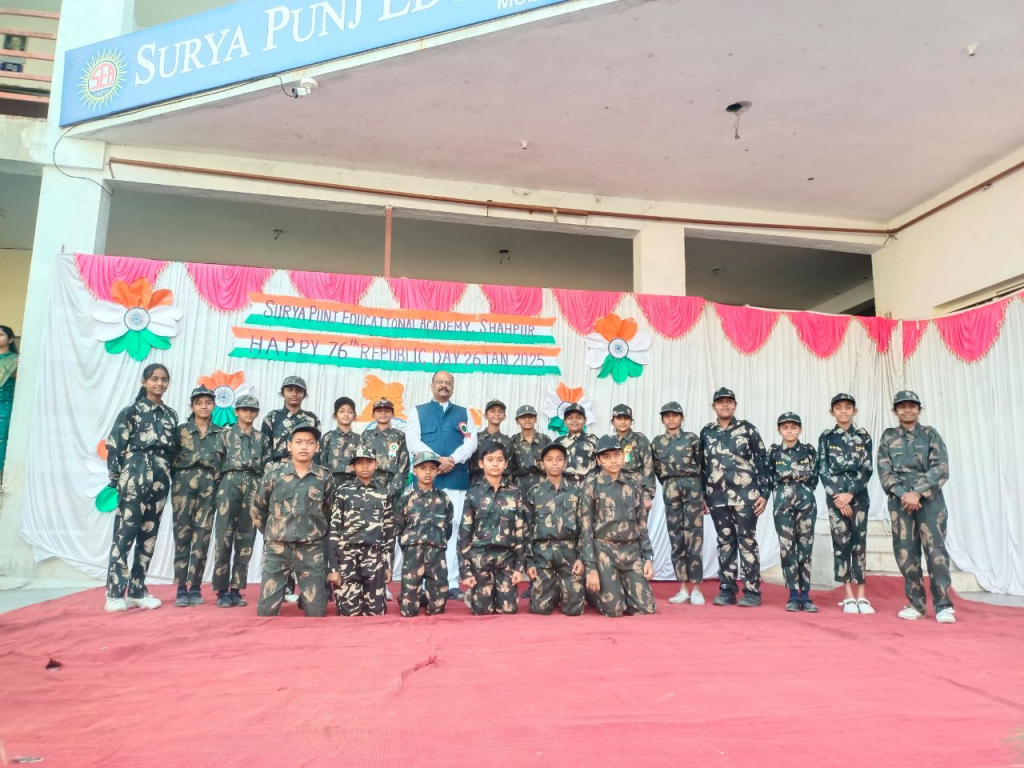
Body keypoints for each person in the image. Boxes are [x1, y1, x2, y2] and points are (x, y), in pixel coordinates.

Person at [103, 364, 179, 612]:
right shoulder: (131, 411)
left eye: (164, 379)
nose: (159, 383)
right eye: (154, 379)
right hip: (135, 472)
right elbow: (115, 446)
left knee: (149, 534)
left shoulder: (171, 415)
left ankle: (137, 591)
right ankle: (114, 593)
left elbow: (173, 451)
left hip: (160, 475)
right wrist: (117, 479)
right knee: (125, 533)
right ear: (144, 381)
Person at [877, 390, 955, 624]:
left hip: (930, 501)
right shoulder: (888, 437)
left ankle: (943, 605)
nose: (907, 410)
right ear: (895, 411)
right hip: (900, 502)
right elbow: (884, 470)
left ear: (919, 409)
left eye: (912, 406)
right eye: (902, 406)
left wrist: (917, 492)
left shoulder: (930, 435)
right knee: (905, 552)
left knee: (936, 551)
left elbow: (940, 467)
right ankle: (916, 604)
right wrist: (904, 494)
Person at [405, 370, 478, 600]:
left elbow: (472, 442)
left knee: (455, 529)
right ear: (432, 385)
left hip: (456, 479)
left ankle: (452, 582)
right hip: (427, 481)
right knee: (425, 531)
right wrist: (437, 461)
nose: (443, 386)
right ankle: (424, 583)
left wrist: (453, 460)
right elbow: (413, 441)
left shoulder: (464, 413)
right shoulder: (418, 411)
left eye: (448, 383)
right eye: (440, 382)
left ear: (453, 387)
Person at [251, 424, 333, 617]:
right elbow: (258, 510)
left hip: (311, 548)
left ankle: (309, 597)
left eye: (309, 443)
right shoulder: (274, 475)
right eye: (299, 442)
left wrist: (316, 532)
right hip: (278, 548)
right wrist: (274, 532)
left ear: (317, 447)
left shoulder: (324, 477)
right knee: (266, 611)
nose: (304, 447)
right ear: (289, 446)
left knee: (316, 613)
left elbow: (329, 511)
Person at [699, 387, 770, 608]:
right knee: (725, 542)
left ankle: (752, 591)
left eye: (729, 401)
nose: (725, 405)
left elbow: (763, 461)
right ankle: (727, 590)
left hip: (746, 496)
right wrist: (702, 494)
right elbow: (701, 466)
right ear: (714, 406)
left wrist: (765, 493)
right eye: (720, 402)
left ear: (735, 405)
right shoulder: (707, 432)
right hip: (717, 497)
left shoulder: (747, 429)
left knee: (747, 541)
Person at [580, 435, 656, 617]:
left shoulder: (633, 485)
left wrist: (648, 558)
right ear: (599, 460)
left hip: (631, 551)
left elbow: (642, 524)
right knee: (614, 610)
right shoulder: (591, 486)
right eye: (606, 457)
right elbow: (586, 529)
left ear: (623, 456)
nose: (613, 461)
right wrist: (590, 568)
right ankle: (591, 591)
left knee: (646, 608)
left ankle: (621, 588)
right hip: (604, 551)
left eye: (616, 455)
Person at [261, 375, 320, 603]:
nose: (294, 393)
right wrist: (272, 474)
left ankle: (298, 587)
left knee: (302, 527)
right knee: (279, 528)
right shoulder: (272, 417)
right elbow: (265, 450)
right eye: (290, 389)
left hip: (305, 476)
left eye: (298, 390)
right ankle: (279, 587)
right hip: (279, 477)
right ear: (283, 392)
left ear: (304, 393)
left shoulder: (311, 419)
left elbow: (317, 452)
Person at [817, 393, 875, 615]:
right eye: (839, 407)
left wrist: (850, 494)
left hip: (858, 496)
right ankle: (848, 595)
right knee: (841, 544)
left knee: (859, 544)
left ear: (855, 411)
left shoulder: (863, 436)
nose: (843, 411)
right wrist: (838, 498)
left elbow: (867, 468)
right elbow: (823, 469)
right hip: (835, 498)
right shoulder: (827, 437)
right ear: (832, 412)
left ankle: (862, 595)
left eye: (848, 407)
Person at [211, 394, 271, 608]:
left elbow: (266, 465)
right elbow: (216, 465)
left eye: (252, 410)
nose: (248, 413)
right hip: (229, 482)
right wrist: (220, 489)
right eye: (244, 409)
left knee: (246, 537)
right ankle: (221, 590)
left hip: (253, 484)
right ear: (236, 411)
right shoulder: (225, 435)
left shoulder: (262, 438)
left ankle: (236, 589)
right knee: (224, 536)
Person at [458, 442, 526, 615]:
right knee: (482, 611)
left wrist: (519, 568)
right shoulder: (473, 493)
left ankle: (502, 594)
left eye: (499, 459)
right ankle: (475, 596)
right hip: (480, 558)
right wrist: (465, 571)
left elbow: (520, 531)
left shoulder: (514, 492)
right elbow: (464, 534)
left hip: (506, 557)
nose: (495, 464)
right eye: (490, 459)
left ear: (506, 463)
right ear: (481, 463)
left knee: (508, 610)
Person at [170, 386, 223, 607]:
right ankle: (181, 588)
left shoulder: (220, 433)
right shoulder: (180, 431)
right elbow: (170, 458)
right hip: (183, 486)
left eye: (208, 403)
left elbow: (222, 463)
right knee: (182, 535)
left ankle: (195, 587)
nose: (203, 406)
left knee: (202, 536)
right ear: (191, 406)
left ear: (214, 405)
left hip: (209, 487)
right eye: (199, 403)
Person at [651, 401, 705, 606]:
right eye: (667, 415)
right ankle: (683, 588)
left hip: (692, 488)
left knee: (694, 538)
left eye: (675, 415)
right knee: (676, 538)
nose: (671, 418)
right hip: (671, 488)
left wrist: (702, 494)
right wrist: (669, 484)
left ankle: (697, 589)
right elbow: (657, 469)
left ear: (682, 418)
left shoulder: (692, 439)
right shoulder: (657, 442)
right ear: (662, 419)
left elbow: (702, 465)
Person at [329, 446, 393, 617]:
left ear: (376, 464)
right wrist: (334, 567)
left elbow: (388, 531)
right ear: (353, 466)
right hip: (348, 556)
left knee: (376, 612)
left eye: (369, 462)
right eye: (359, 463)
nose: (365, 466)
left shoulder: (383, 492)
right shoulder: (343, 492)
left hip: (375, 556)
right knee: (349, 612)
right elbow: (334, 529)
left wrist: (388, 565)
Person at [523, 442, 585, 616]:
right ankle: (553, 589)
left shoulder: (576, 491)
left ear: (565, 463)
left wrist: (581, 558)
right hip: (543, 554)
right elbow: (527, 529)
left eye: (559, 459)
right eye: (549, 460)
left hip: (569, 553)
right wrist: (530, 562)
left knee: (574, 609)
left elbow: (584, 527)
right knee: (539, 609)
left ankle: (566, 589)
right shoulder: (535, 492)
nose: (554, 463)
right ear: (542, 464)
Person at [768, 413, 819, 613]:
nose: (789, 431)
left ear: (800, 429)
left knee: (805, 548)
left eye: (793, 427)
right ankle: (792, 595)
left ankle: (805, 595)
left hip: (806, 503)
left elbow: (814, 478)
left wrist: (800, 490)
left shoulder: (808, 451)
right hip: (782, 504)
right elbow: (769, 477)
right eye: (785, 427)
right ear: (779, 430)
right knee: (787, 548)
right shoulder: (774, 452)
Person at [395, 451, 455, 617]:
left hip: (436, 555)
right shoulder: (406, 498)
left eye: (432, 468)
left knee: (437, 609)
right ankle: (411, 597)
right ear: (415, 471)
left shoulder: (443, 499)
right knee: (408, 611)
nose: (427, 472)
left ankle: (427, 597)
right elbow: (399, 527)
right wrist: (409, 547)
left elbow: (448, 527)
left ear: (437, 471)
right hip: (413, 555)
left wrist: (436, 542)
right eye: (423, 468)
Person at [610, 404, 656, 510]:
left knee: (638, 521)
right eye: (619, 418)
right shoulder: (609, 441)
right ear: (612, 422)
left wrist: (647, 495)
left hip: (636, 492)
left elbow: (649, 467)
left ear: (631, 421)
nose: (623, 422)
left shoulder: (640, 439)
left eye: (626, 418)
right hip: (614, 492)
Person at [470, 399, 517, 487]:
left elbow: (509, 468)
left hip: (500, 485)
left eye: (500, 411)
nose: (497, 414)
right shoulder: (475, 438)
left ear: (504, 416)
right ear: (485, 416)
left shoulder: (507, 441)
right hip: (478, 484)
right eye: (492, 411)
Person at [320, 396, 360, 491]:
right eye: (342, 411)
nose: (346, 414)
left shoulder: (359, 438)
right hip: (331, 483)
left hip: (353, 484)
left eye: (350, 412)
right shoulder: (328, 437)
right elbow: (322, 463)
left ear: (354, 415)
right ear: (335, 415)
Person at [509, 404, 551, 496]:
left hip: (542, 485)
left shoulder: (545, 440)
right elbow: (509, 467)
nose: (527, 420)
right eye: (523, 417)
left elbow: (551, 465)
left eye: (530, 417)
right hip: (519, 486)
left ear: (535, 419)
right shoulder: (513, 441)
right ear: (517, 421)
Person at [555, 403, 598, 489]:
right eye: (570, 418)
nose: (574, 420)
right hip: (566, 488)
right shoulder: (558, 443)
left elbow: (601, 464)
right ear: (564, 422)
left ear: (585, 421)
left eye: (579, 417)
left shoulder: (594, 441)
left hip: (590, 487)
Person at [0, 325, 18, 488]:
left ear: (10, 339)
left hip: (4, 404)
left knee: (1, 439)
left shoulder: (14, 360)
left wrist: (18, 368)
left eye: (1, 335)